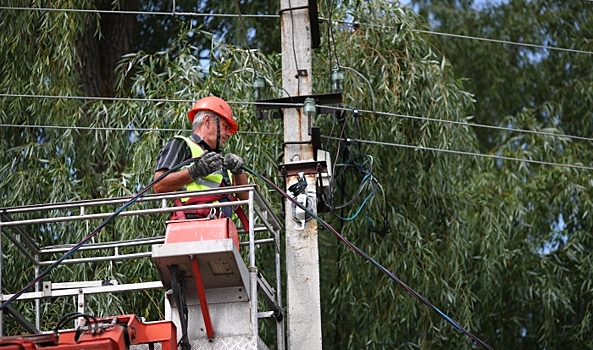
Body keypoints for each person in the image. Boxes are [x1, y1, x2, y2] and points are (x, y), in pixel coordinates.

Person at [153, 96, 247, 220]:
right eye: (225, 126)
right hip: (193, 224)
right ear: (207, 121)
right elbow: (159, 185)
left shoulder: (220, 162)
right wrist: (194, 171)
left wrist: (238, 172)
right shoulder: (182, 145)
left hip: (221, 228)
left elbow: (245, 197)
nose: (229, 134)